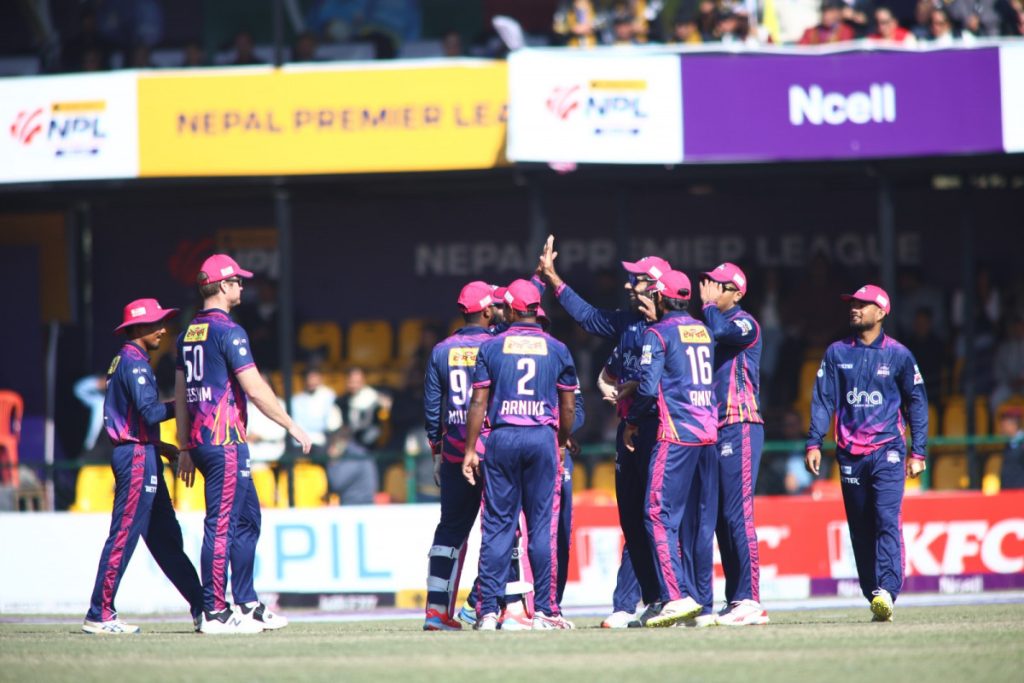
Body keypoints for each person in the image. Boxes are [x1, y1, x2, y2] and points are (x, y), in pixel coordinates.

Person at [175, 254, 312, 634]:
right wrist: (291, 425)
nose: (242, 286)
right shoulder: (229, 331)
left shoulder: (188, 333)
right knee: (221, 525)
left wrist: (185, 446)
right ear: (222, 286)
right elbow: (254, 388)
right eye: (236, 281)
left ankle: (247, 604)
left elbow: (181, 393)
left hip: (203, 441)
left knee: (249, 518)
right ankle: (215, 611)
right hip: (225, 441)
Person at [536, 236, 656, 628]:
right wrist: (553, 280)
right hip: (631, 428)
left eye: (637, 279)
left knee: (660, 518)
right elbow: (588, 317)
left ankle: (684, 598)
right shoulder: (628, 323)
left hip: (666, 432)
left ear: (655, 287)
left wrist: (636, 388)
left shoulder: (674, 328)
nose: (628, 285)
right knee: (634, 519)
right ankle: (633, 603)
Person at [806, 284, 928, 623]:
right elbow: (823, 400)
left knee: (886, 519)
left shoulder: (900, 355)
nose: (855, 309)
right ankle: (874, 594)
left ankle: (887, 590)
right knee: (860, 528)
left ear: (881, 311)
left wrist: (918, 451)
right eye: (853, 304)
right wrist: (814, 442)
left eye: (863, 304)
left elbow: (917, 403)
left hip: (888, 451)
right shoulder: (836, 353)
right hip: (849, 454)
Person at [462, 280, 578, 630]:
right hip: (542, 438)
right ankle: (546, 611)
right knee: (541, 528)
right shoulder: (558, 348)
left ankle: (486, 612)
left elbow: (478, 402)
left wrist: (470, 450)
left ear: (511, 309)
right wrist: (561, 440)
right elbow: (568, 406)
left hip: (502, 438)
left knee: (497, 528)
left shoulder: (491, 347)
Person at [83, 298, 203, 635]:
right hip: (136, 458)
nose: (163, 329)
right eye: (155, 323)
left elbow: (134, 417)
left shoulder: (129, 360)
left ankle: (203, 607)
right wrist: (186, 403)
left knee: (166, 540)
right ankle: (99, 613)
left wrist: (159, 446)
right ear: (136, 328)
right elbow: (150, 413)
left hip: (144, 453)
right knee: (123, 536)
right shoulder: (134, 363)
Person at [624, 269, 717, 628]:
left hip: (676, 433)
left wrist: (632, 421)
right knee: (694, 522)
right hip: (708, 433)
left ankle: (676, 598)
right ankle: (699, 603)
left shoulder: (657, 333)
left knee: (657, 513)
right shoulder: (703, 330)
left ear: (660, 297)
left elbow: (648, 388)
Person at [422, 281, 499, 631]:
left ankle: (436, 612)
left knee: (449, 531)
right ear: (487, 311)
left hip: (453, 451)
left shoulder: (441, 350)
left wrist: (436, 451)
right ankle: (492, 609)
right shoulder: (497, 345)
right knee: (501, 529)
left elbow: (431, 407)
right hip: (493, 449)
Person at [699, 263, 769, 626]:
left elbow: (721, 330)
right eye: (709, 283)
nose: (711, 289)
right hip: (713, 427)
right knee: (719, 520)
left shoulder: (745, 323)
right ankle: (735, 598)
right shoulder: (709, 325)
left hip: (741, 423)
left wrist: (708, 306)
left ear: (737, 293)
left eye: (720, 286)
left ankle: (751, 599)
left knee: (737, 514)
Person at [328, 367, 386, 505]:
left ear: (363, 381)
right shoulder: (341, 402)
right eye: (351, 381)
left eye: (357, 381)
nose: (354, 385)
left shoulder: (373, 399)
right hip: (348, 450)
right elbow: (336, 428)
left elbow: (379, 426)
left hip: (370, 449)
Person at [998, 407, 1024, 489]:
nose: (1002, 428)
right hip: (1008, 489)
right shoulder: (1008, 443)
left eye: (1004, 425)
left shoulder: (1022, 443)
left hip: (1020, 489)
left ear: (1013, 425)